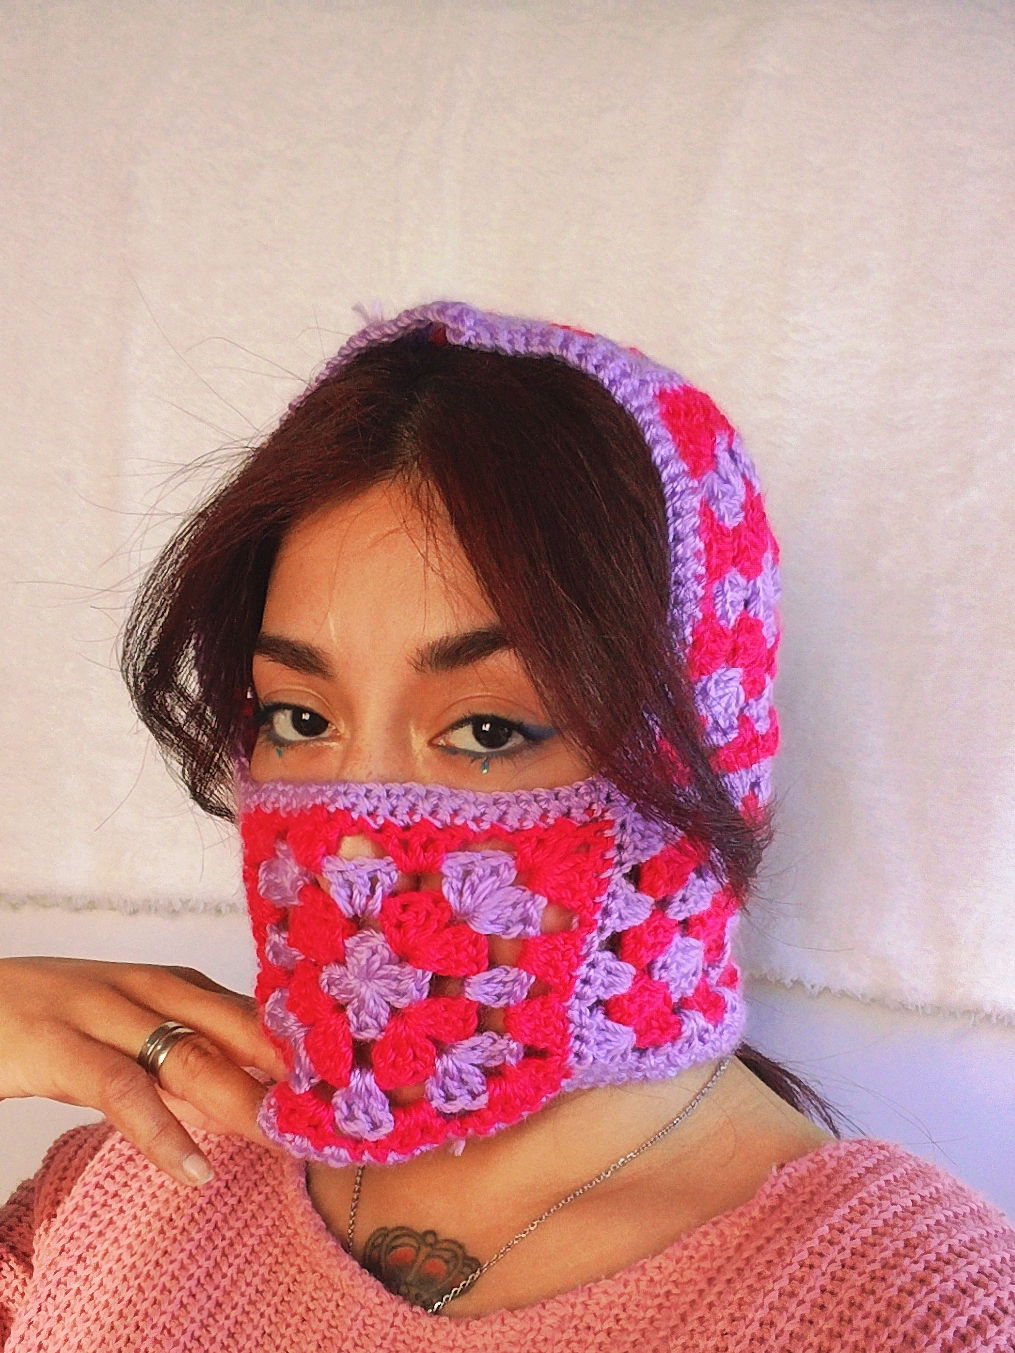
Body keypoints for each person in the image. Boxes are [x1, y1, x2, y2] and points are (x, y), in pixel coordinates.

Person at [1, 301, 1011, 1350]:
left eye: (486, 729)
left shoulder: (917, 1315)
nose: (353, 847)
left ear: (698, 757)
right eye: (300, 719)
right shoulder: (141, 1168)